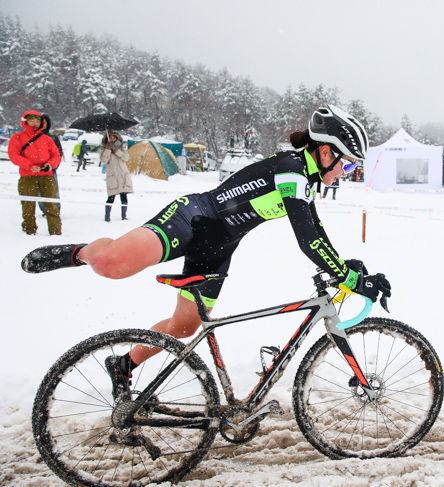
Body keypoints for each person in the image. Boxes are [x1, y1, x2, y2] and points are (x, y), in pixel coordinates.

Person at [21, 105, 391, 399]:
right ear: (325, 151)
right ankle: (78, 252)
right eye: (348, 164)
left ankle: (122, 364)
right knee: (111, 264)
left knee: (184, 327)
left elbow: (317, 233)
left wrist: (347, 267)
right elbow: (308, 237)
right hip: (192, 218)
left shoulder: (307, 180)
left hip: (219, 247)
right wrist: (351, 278)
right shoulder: (292, 169)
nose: (348, 172)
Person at [8, 110, 62, 235]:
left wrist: (50, 165)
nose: (35, 123)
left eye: (38, 121)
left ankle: (55, 232)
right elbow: (14, 155)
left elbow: (56, 155)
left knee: (51, 204)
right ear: (25, 121)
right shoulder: (17, 137)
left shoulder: (47, 139)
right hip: (27, 176)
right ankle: (29, 230)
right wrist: (29, 166)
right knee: (28, 204)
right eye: (31, 120)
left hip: (46, 176)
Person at [101, 131, 133, 222]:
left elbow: (126, 158)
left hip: (123, 175)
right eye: (110, 138)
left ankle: (124, 216)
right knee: (111, 197)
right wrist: (107, 149)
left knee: (124, 197)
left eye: (113, 137)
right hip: (113, 176)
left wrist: (116, 151)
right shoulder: (104, 148)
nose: (112, 139)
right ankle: (107, 216)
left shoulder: (121, 147)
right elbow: (104, 160)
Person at [38, 114, 63, 217]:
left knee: (53, 191)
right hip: (36, 170)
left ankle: (55, 209)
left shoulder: (52, 137)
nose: (43, 125)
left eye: (45, 123)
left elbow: (59, 153)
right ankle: (44, 210)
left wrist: (53, 165)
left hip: (50, 169)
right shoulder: (32, 137)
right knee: (39, 192)